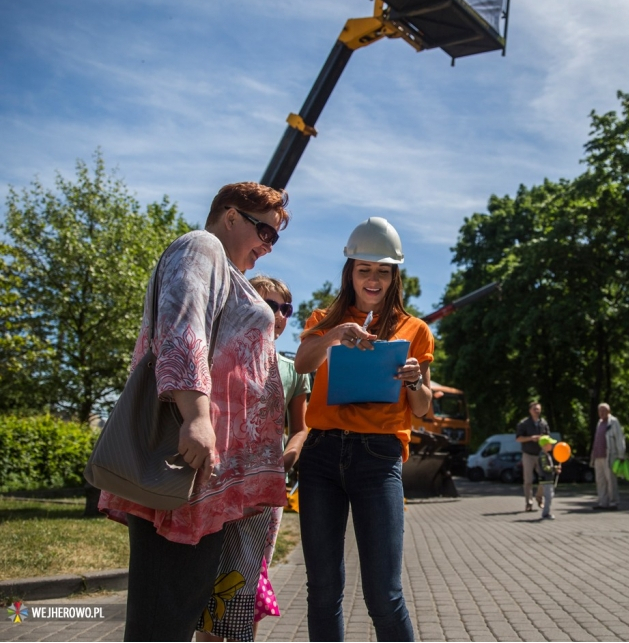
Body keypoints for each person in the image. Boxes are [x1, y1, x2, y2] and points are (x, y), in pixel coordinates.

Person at [98, 182, 289, 641]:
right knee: (165, 615)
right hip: (192, 464)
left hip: (213, 474)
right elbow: (183, 328)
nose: (268, 245)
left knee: (185, 611)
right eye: (265, 231)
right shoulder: (200, 247)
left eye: (275, 238)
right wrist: (198, 418)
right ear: (230, 216)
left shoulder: (226, 271)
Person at [294, 216, 434, 642]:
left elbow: (424, 408)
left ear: (394, 276)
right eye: (364, 269)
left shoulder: (415, 330)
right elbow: (302, 364)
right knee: (322, 592)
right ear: (350, 272)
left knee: (384, 594)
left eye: (383, 270)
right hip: (320, 457)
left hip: (378, 460)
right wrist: (336, 334)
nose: (373, 279)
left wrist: (413, 380)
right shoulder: (324, 319)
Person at [195, 275, 310, 642]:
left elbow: (301, 427)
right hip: (216, 481)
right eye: (269, 305)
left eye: (284, 309)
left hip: (264, 488)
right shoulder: (221, 354)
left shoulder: (292, 369)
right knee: (209, 572)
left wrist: (287, 458)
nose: (278, 315)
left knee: (250, 572)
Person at [590, 403, 626, 511]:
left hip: (609, 455)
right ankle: (603, 502)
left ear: (609, 411)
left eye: (604, 411)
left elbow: (619, 438)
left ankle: (613, 502)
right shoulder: (599, 423)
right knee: (600, 480)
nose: (602, 413)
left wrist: (621, 454)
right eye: (600, 411)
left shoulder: (613, 422)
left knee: (610, 480)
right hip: (598, 456)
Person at [515, 401, 550, 512]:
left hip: (540, 454)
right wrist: (531, 438)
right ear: (530, 411)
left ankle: (539, 498)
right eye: (534, 409)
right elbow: (518, 438)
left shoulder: (543, 423)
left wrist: (546, 446)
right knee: (528, 480)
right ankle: (528, 503)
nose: (537, 411)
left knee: (544, 478)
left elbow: (547, 438)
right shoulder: (524, 423)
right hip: (528, 454)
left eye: (538, 409)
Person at [536, 435, 561, 520]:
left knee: (550, 496)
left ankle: (546, 512)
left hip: (548, 479)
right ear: (545, 445)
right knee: (548, 496)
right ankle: (545, 514)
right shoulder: (543, 455)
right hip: (545, 480)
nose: (552, 445)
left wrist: (555, 469)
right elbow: (545, 467)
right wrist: (554, 468)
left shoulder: (546, 454)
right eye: (550, 444)